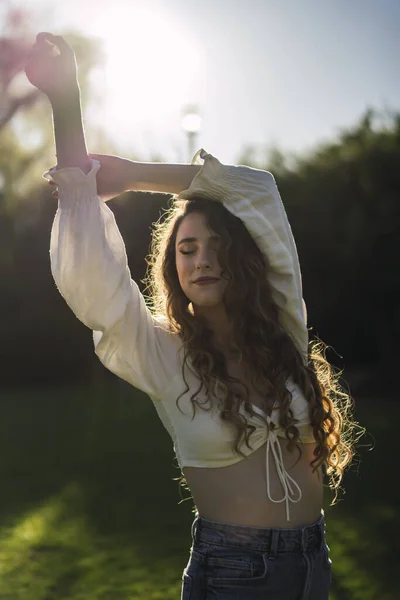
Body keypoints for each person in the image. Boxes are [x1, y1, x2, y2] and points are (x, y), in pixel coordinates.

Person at [25, 32, 364, 600]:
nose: (202, 260)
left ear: (242, 260)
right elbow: (90, 266)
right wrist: (67, 103)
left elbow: (257, 190)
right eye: (186, 249)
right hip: (233, 573)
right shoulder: (161, 352)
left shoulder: (282, 328)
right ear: (172, 266)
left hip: (313, 564)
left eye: (215, 247)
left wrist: (132, 173)